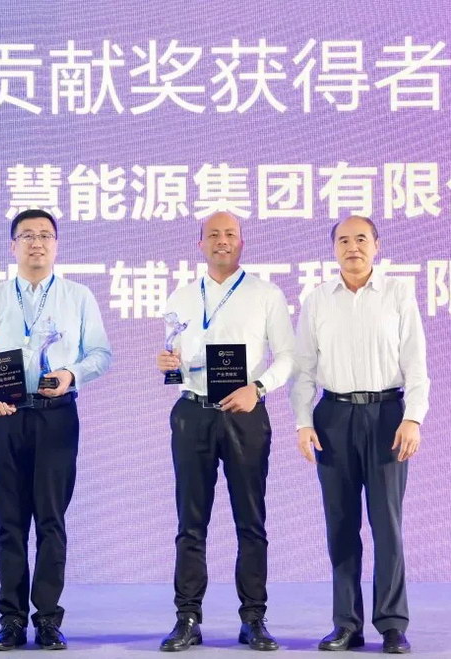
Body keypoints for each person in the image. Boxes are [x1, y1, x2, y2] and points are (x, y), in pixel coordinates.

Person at [0, 208, 112, 651]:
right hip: (6, 417)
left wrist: (71, 374)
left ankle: (48, 619)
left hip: (56, 416)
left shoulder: (78, 296)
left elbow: (100, 354)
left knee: (51, 520)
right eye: (27, 235)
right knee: (9, 524)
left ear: (56, 244)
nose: (36, 243)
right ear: (12, 246)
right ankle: (11, 620)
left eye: (45, 235)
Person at [155, 211, 294, 652]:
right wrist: (168, 365)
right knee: (190, 522)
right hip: (193, 412)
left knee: (250, 521)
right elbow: (176, 360)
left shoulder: (266, 294)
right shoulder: (181, 297)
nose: (222, 240)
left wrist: (259, 387)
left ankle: (253, 618)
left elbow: (289, 357)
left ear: (242, 242)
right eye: (213, 234)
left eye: (230, 233)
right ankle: (187, 618)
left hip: (244, 414)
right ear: (200, 244)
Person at [291, 215, 429, 654]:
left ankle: (392, 624)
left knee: (387, 524)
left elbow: (416, 363)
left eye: (362, 239)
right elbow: (303, 370)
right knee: (341, 525)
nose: (353, 247)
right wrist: (303, 422)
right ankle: (346, 624)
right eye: (344, 241)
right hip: (333, 417)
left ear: (377, 245)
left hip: (388, 415)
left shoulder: (397, 293)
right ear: (333, 249)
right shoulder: (317, 300)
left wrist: (413, 418)